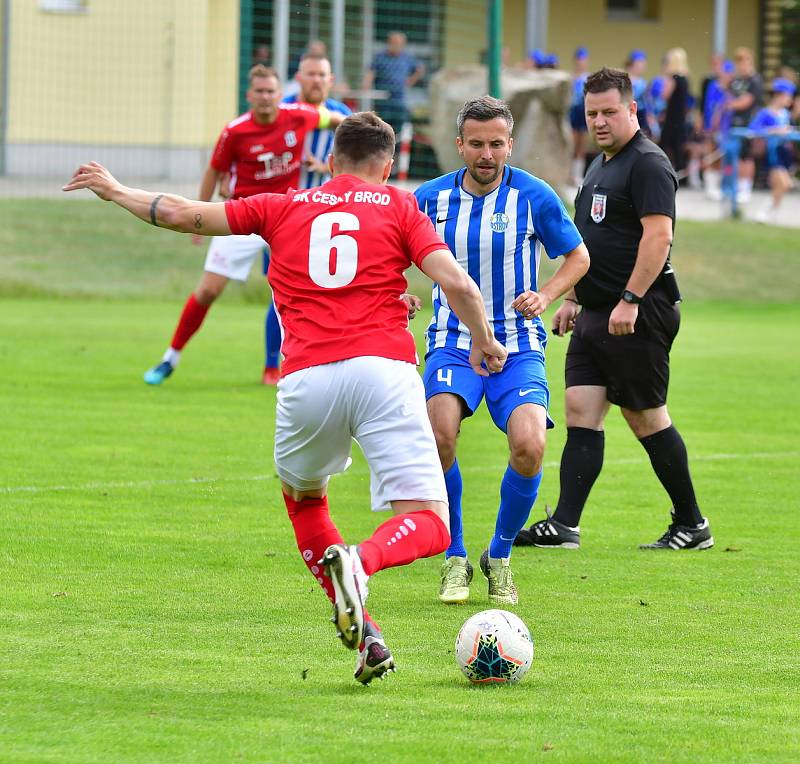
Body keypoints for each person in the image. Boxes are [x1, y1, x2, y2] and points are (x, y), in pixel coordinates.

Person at [64, 112, 507, 684]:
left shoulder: (283, 205)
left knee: (305, 501)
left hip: (307, 379)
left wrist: (116, 189)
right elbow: (458, 284)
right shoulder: (401, 207)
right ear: (388, 164)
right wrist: (484, 340)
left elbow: (178, 213)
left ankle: (365, 631)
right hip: (384, 371)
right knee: (429, 522)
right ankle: (363, 562)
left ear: (329, 162)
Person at [515, 67, 713, 551]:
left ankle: (692, 524)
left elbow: (658, 236)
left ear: (632, 111)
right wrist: (576, 298)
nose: (599, 121)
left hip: (638, 311)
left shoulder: (648, 162)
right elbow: (594, 242)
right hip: (596, 311)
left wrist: (630, 299)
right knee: (581, 410)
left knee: (645, 415)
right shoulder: (601, 165)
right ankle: (564, 525)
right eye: (591, 114)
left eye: (608, 112)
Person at [414, 96, 590, 605]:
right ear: (459, 145)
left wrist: (547, 294)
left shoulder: (533, 195)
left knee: (530, 445)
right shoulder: (429, 198)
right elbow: (391, 255)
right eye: (476, 143)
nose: (486, 153)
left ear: (510, 144)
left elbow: (578, 256)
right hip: (452, 340)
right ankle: (454, 556)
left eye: (496, 143)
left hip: (517, 345)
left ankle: (500, 555)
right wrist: (397, 293)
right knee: (439, 433)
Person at [141, 65, 345, 387]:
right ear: (250, 96)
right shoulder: (235, 131)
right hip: (242, 217)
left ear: (281, 94)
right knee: (208, 290)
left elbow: (339, 122)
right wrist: (200, 216)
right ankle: (170, 358)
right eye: (260, 92)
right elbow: (214, 170)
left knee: (296, 292)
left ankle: (294, 366)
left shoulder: (300, 115)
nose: (266, 97)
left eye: (271, 91)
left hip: (285, 221)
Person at [749, 78, 797, 224]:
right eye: (788, 96)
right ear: (779, 96)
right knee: (785, 184)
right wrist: (774, 131)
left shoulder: (785, 114)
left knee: (779, 186)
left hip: (785, 152)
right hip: (773, 152)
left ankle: (772, 215)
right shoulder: (766, 113)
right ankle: (763, 211)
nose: (790, 100)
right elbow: (753, 129)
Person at [362, 31, 424, 135]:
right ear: (389, 43)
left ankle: (397, 149)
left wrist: (409, 81)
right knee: (381, 127)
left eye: (399, 43)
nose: (396, 46)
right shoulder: (380, 57)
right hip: (382, 100)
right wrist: (366, 86)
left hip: (399, 100)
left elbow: (420, 69)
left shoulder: (407, 58)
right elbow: (370, 73)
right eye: (394, 42)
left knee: (398, 129)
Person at [727, 47, 764, 203]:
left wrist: (730, 105)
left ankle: (746, 188)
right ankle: (733, 186)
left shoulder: (755, 80)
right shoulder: (735, 80)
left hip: (749, 124)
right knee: (733, 154)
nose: (741, 65)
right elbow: (727, 96)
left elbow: (746, 101)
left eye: (744, 61)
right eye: (739, 62)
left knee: (746, 156)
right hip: (733, 123)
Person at [658, 48, 692, 180]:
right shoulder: (685, 78)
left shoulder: (674, 78)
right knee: (677, 146)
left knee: (665, 145)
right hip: (680, 117)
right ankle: (681, 173)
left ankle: (667, 172)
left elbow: (664, 95)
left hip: (672, 117)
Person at [570, 46, 591, 184]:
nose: (581, 63)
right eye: (579, 60)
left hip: (583, 113)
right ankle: (569, 174)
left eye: (583, 60)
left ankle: (577, 175)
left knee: (581, 145)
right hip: (572, 113)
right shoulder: (571, 78)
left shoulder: (588, 78)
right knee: (572, 144)